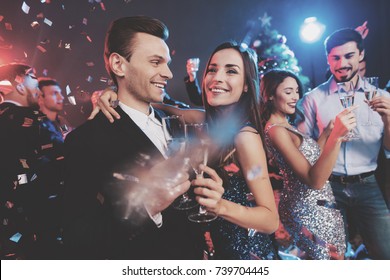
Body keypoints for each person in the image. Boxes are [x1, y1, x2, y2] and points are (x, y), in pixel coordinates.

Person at [94, 41, 279, 260]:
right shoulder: (203, 121)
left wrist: (219, 206)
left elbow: (270, 220)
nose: (217, 77)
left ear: (247, 85)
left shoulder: (245, 137)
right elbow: (158, 105)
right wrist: (112, 91)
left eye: (231, 71)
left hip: (242, 254)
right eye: (212, 69)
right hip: (209, 251)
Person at [62, 16, 204, 259]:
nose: (169, 73)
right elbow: (80, 238)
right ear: (119, 64)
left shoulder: (178, 126)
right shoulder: (86, 140)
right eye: (155, 62)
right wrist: (147, 206)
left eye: (167, 63)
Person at [298, 28, 390, 259]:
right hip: (329, 186)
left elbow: (388, 149)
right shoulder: (313, 99)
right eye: (335, 58)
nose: (342, 64)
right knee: (329, 257)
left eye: (349, 56)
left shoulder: (381, 97)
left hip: (368, 183)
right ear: (327, 59)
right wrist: (330, 135)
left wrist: (389, 121)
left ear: (361, 55)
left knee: (385, 253)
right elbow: (303, 152)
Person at [260, 69, 357, 259]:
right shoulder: (276, 131)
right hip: (307, 210)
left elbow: (312, 160)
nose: (295, 97)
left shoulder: (285, 125)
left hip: (318, 204)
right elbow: (315, 180)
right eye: (288, 92)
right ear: (270, 95)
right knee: (330, 260)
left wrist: (327, 134)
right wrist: (336, 137)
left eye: (297, 91)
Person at [0, 63, 43, 258]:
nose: (37, 81)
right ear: (18, 84)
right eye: (31, 75)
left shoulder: (30, 117)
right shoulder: (12, 119)